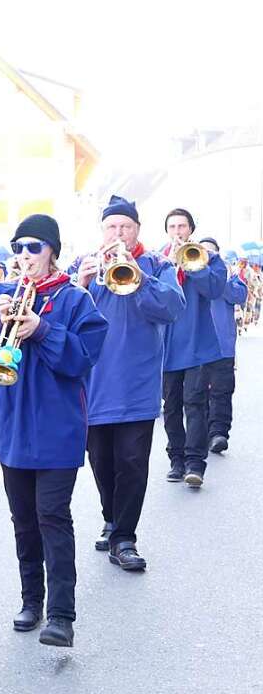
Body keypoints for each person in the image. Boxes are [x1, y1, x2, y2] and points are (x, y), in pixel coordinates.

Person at [0, 214, 107, 647]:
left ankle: (61, 615)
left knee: (52, 516)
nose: (25, 256)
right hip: (11, 426)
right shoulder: (0, 294)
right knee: (23, 520)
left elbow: (81, 359)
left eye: (34, 247)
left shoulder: (75, 299)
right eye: (19, 248)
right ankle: (31, 600)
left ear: (52, 250)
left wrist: (42, 328)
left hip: (56, 429)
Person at [71, 195, 184, 571]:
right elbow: (60, 322)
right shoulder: (83, 265)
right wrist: (80, 284)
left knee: (132, 463)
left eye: (126, 227)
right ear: (102, 231)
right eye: (111, 227)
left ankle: (124, 538)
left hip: (137, 384)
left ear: (137, 230)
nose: (118, 233)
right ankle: (111, 517)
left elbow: (172, 308)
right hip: (94, 385)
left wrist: (138, 275)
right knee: (101, 461)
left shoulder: (156, 264)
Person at [160, 208, 227, 488]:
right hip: (166, 346)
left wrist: (192, 265)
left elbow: (214, 289)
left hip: (197, 344)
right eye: (172, 226)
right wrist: (169, 264)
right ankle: (176, 459)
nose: (177, 231)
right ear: (167, 231)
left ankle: (195, 464)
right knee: (171, 407)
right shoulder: (158, 259)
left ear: (191, 230)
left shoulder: (209, 258)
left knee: (195, 404)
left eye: (182, 226)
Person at [199, 237, 247, 455]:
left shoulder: (229, 277)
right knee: (196, 394)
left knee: (222, 391)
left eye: (211, 254)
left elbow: (240, 296)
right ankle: (200, 433)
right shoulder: (190, 275)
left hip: (222, 346)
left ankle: (218, 433)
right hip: (195, 348)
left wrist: (221, 277)